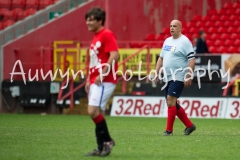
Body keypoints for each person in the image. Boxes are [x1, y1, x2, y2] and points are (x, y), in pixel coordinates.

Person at [84, 7, 119, 156]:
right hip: (95, 80)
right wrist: (88, 79)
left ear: (100, 20)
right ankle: (101, 147)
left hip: (104, 80)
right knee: (98, 114)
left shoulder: (106, 34)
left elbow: (115, 55)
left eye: (91, 19)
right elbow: (93, 61)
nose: (88, 22)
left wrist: (103, 74)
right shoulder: (96, 37)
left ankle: (108, 141)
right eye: (87, 19)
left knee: (92, 111)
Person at [155, 20, 196, 136]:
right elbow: (161, 58)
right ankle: (190, 125)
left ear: (180, 28)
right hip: (167, 77)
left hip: (179, 75)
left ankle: (169, 131)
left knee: (170, 100)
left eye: (175, 26)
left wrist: (188, 75)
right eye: (170, 26)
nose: (172, 28)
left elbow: (192, 60)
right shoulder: (167, 41)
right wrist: (156, 72)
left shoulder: (184, 41)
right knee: (171, 103)